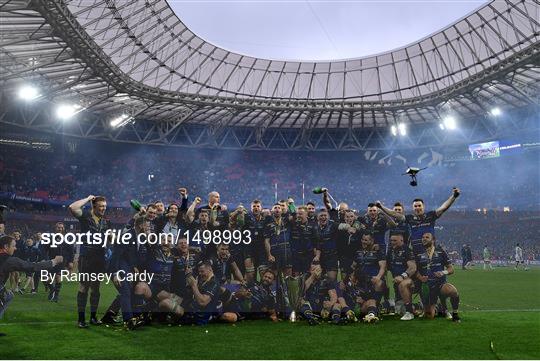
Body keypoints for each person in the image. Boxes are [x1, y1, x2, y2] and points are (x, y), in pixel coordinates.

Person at [0, 235, 63, 336]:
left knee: (9, 295)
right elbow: (32, 267)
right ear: (6, 246)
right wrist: (54, 261)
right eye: (13, 246)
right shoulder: (9, 260)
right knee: (7, 295)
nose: (15, 248)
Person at [376, 188, 461, 256]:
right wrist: (381, 207)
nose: (417, 208)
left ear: (423, 206)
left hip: (429, 252)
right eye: (415, 206)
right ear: (413, 208)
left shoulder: (430, 216)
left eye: (419, 205)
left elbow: (443, 207)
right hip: (415, 253)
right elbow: (394, 214)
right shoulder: (410, 218)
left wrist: (454, 196)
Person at [69, 195, 111, 328]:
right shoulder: (85, 216)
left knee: (96, 287)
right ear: (94, 206)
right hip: (86, 257)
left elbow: (109, 240)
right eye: (101, 206)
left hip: (99, 257)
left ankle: (93, 317)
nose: (103, 208)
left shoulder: (105, 222)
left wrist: (111, 238)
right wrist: (87, 198)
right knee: (84, 286)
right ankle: (81, 319)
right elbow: (72, 207)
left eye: (105, 206)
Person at [415, 233, 460, 322]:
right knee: (429, 316)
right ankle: (439, 308)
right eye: (423, 237)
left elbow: (451, 269)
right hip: (426, 286)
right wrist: (420, 278)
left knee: (453, 291)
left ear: (433, 240)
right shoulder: (418, 252)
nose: (424, 239)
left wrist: (443, 272)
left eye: (427, 237)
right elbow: (415, 270)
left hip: (439, 284)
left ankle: (455, 314)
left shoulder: (440, 251)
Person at [350, 232, 386, 323]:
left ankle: (375, 308)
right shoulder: (358, 252)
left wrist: (378, 277)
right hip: (361, 282)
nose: (363, 242)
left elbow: (383, 267)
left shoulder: (378, 252)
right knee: (359, 305)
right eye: (362, 239)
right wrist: (352, 276)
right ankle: (371, 311)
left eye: (366, 240)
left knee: (379, 283)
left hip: (372, 280)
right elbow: (353, 266)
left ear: (372, 241)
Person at [386, 231, 417, 320]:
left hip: (411, 282)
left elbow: (413, 268)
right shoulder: (391, 251)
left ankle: (409, 313)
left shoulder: (407, 250)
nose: (392, 242)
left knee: (402, 284)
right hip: (397, 284)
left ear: (402, 240)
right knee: (399, 311)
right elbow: (386, 266)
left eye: (395, 240)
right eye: (391, 240)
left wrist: (402, 276)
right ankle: (418, 306)